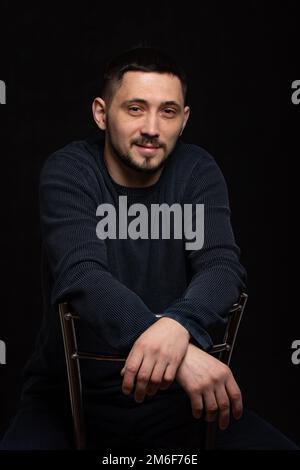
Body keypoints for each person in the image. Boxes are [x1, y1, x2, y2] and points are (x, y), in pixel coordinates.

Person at [0, 47, 298, 451]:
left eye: (168, 111)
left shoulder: (197, 170)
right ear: (102, 114)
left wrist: (179, 327)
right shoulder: (69, 170)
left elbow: (222, 269)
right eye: (136, 109)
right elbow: (82, 276)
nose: (152, 128)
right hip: (72, 399)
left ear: (184, 119)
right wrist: (182, 356)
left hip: (180, 403)